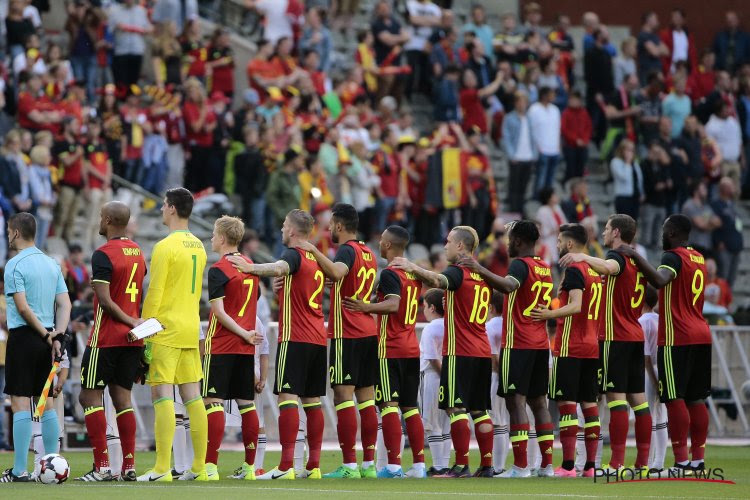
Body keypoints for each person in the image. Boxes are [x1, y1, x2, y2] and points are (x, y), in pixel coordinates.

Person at [228, 209, 327, 480]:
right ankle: (314, 466)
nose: (282, 229)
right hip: (318, 336)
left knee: (287, 397)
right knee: (312, 400)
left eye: (284, 225)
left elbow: (280, 267)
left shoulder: (293, 254)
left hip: (295, 336)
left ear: (293, 231)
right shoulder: (316, 259)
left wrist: (251, 268)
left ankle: (285, 467)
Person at [392, 226, 496, 478]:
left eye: (449, 241)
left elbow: (438, 281)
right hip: (482, 350)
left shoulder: (458, 272)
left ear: (461, 246)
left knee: (455, 409)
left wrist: (412, 267)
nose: (445, 245)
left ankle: (461, 464)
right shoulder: (482, 276)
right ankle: (487, 464)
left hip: (460, 351)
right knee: (480, 411)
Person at [459, 220, 555, 478]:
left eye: (510, 239)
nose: (507, 243)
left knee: (516, 402)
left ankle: (521, 466)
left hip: (519, 343)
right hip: (540, 343)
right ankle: (546, 465)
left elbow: (509, 286)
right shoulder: (545, 267)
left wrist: (478, 268)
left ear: (520, 241)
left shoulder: (520, 265)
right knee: (539, 402)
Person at [559, 214, 652, 472]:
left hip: (615, 337)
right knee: (639, 401)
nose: (603, 234)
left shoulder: (617, 257)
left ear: (617, 233)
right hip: (635, 334)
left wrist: (583, 257)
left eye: (607, 229)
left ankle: (616, 463)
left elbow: (609, 268)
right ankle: (642, 463)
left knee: (616, 400)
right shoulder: (638, 262)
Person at [619, 214, 711, 473]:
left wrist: (636, 257)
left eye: (663, 230)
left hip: (677, 336)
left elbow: (659, 281)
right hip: (702, 333)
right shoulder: (699, 258)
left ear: (671, 233)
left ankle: (681, 461)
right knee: (696, 399)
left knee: (674, 397)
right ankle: (697, 460)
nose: (661, 234)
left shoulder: (673, 257)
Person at [292, 204, 379, 479]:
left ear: (340, 226)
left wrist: (313, 249)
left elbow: (338, 273)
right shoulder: (368, 253)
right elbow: (350, 281)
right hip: (368, 332)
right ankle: (369, 465)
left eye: (331, 224)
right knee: (366, 400)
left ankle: (350, 465)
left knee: (343, 396)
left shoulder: (346, 250)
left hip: (348, 333)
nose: (329, 228)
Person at [343, 225, 426, 478]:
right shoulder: (413, 274)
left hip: (390, 347)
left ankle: (392, 466)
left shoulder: (391, 273)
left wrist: (365, 307)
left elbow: (392, 305)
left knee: (389, 406)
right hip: (412, 346)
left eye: (381, 240)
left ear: (389, 245)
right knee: (411, 408)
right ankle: (419, 465)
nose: (379, 243)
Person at [137, 188, 208, 482]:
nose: (162, 209)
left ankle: (162, 468)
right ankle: (200, 468)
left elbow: (154, 294)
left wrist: (144, 331)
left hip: (165, 328)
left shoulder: (165, 246)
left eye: (165, 205)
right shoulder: (200, 246)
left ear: (172, 209)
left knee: (161, 393)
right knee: (193, 396)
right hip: (191, 327)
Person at [74, 202, 146, 482]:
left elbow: (105, 300)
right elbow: (136, 294)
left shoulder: (102, 254)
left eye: (101, 217)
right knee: (122, 398)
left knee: (89, 395)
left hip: (106, 337)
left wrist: (129, 321)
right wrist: (136, 323)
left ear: (106, 220)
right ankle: (128, 465)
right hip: (132, 339)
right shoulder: (138, 253)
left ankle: (102, 466)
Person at [1, 213, 72, 482]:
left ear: (16, 233)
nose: (8, 235)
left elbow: (21, 306)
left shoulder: (14, 265)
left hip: (25, 337)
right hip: (49, 339)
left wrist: (44, 335)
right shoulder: (51, 264)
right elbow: (65, 303)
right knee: (48, 404)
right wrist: (58, 336)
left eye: (8, 231)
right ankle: (52, 463)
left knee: (20, 402)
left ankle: (19, 471)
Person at [531, 224, 601, 478]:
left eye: (560, 240)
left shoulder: (574, 269)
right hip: (592, 345)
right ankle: (591, 466)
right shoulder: (595, 269)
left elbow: (576, 305)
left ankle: (569, 466)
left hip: (571, 346)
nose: (558, 243)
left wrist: (549, 313)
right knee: (590, 405)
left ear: (570, 244)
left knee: (567, 405)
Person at [202, 216, 263, 481]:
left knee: (213, 402)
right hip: (245, 346)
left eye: (214, 234)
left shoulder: (218, 269)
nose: (212, 239)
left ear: (223, 238)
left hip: (224, 343)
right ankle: (250, 467)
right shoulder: (250, 265)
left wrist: (243, 333)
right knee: (246, 404)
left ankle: (210, 467)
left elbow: (219, 312)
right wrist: (248, 335)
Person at [419, 288, 450, 475]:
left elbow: (431, 357)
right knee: (446, 423)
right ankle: (444, 464)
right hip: (449, 376)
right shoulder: (451, 324)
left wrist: (443, 377)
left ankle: (438, 465)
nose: (423, 310)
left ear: (432, 307)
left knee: (431, 423)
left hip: (432, 376)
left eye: (424, 306)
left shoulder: (430, 328)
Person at [640, 285, 668, 473]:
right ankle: (659, 461)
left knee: (648, 416)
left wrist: (652, 379)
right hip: (664, 370)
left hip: (650, 371)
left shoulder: (642, 322)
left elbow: (646, 356)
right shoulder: (660, 320)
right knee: (661, 418)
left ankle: (647, 462)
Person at [485, 291, 508, 476]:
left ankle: (498, 467)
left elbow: (494, 357)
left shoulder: (491, 326)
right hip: (512, 378)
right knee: (505, 422)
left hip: (496, 377)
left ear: (491, 307)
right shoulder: (510, 323)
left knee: (498, 422)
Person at [502, 91, 536, 216]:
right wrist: (511, 155)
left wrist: (534, 154)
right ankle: (513, 209)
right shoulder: (509, 118)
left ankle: (521, 209)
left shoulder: (529, 118)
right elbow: (506, 137)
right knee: (514, 185)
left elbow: (533, 137)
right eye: (520, 102)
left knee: (523, 185)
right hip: (516, 156)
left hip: (528, 156)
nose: (522, 105)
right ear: (516, 103)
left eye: (524, 102)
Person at [711, 177, 744, 287]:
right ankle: (719, 301)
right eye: (731, 186)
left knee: (731, 279)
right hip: (724, 248)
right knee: (722, 277)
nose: (733, 188)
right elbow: (713, 225)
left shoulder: (732, 204)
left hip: (736, 247)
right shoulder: (715, 205)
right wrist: (718, 242)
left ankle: (726, 302)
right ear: (723, 188)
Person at [528, 87, 561, 195]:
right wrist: (536, 147)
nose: (554, 96)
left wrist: (558, 145)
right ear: (544, 96)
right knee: (540, 177)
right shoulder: (534, 109)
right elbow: (531, 130)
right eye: (551, 94)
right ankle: (536, 197)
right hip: (541, 149)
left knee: (550, 178)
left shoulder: (555, 110)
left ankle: (548, 198)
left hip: (554, 149)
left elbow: (557, 129)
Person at [561, 91, 592, 182]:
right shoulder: (566, 113)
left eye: (574, 100)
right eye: (571, 99)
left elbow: (588, 127)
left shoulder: (584, 112)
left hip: (583, 145)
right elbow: (564, 129)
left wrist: (585, 140)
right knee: (571, 168)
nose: (572, 102)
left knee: (580, 169)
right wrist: (575, 140)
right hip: (570, 145)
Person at [610, 139, 644, 220]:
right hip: (623, 197)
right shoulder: (615, 162)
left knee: (633, 223)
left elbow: (639, 179)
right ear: (622, 150)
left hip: (634, 197)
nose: (630, 152)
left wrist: (642, 192)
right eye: (628, 149)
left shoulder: (635, 163)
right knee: (624, 223)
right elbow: (624, 177)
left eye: (632, 150)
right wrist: (627, 162)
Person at [637, 12, 669, 85]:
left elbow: (667, 51)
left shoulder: (655, 36)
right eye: (655, 19)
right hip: (647, 74)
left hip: (657, 73)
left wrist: (655, 48)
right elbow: (654, 53)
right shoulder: (643, 35)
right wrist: (657, 49)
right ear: (648, 20)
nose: (658, 22)